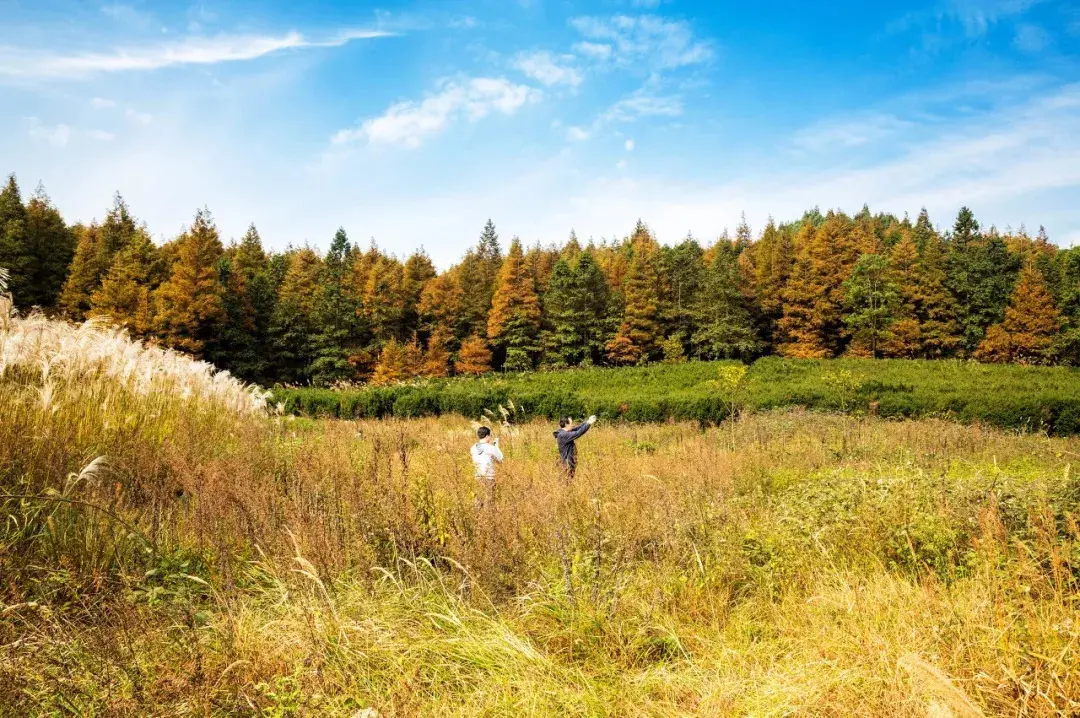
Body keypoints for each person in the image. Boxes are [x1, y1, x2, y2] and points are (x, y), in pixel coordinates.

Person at [470, 426, 503, 507]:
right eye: (490, 436)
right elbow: (501, 460)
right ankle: (488, 518)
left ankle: (478, 518)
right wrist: (496, 447)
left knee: (478, 501)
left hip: (477, 477)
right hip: (489, 477)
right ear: (487, 436)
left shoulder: (473, 448)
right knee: (489, 501)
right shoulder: (491, 448)